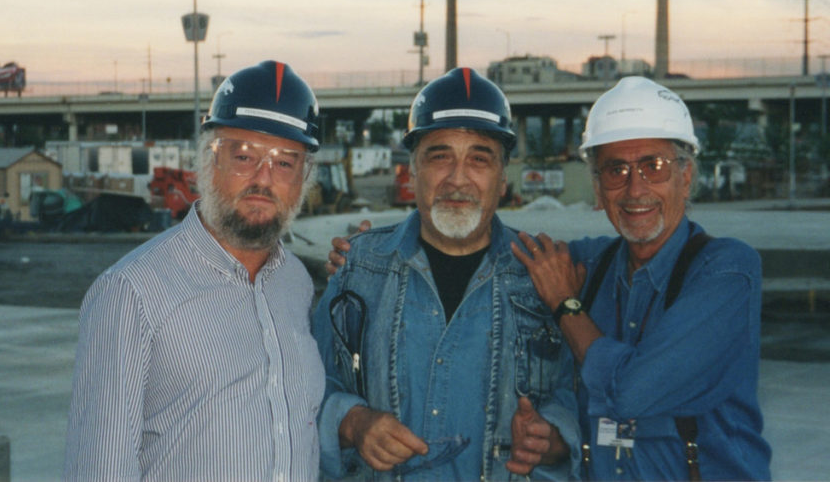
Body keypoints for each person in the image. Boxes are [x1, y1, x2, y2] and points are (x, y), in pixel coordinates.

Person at [311, 67, 580, 481]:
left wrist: (556, 439)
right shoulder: (358, 269)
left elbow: (577, 393)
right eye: (440, 156)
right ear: (413, 170)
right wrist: (352, 422)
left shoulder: (542, 278)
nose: (458, 178)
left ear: (502, 178)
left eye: (479, 158)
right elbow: (305, 386)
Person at [64, 60, 326, 481]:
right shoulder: (132, 292)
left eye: (284, 162)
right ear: (208, 160)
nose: (263, 178)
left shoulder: (295, 283)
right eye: (243, 156)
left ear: (305, 176)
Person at [510, 76, 772, 480]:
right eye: (616, 170)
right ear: (598, 189)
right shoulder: (594, 265)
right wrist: (377, 250)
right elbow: (501, 259)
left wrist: (568, 306)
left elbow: (632, 392)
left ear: (686, 178)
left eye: (654, 166)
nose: (636, 189)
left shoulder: (725, 271)